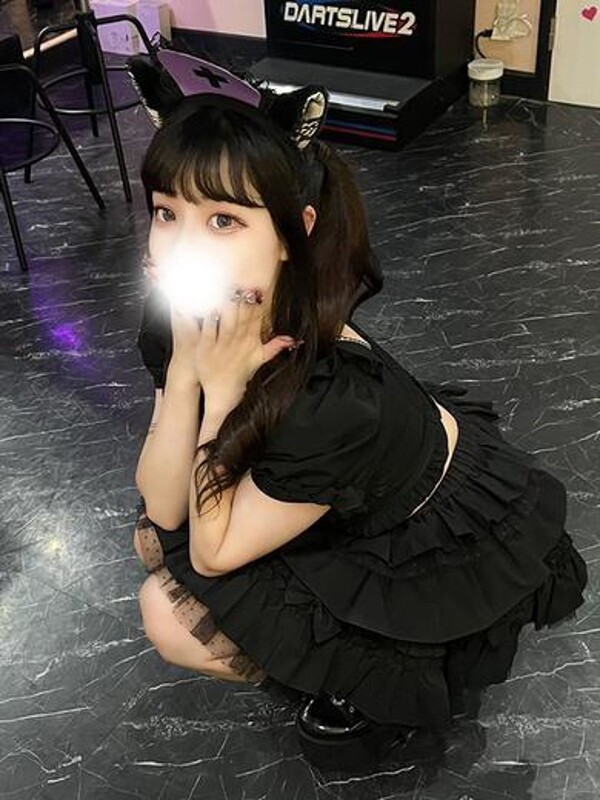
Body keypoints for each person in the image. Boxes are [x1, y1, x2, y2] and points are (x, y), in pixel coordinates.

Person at [127, 48, 588, 770]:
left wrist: (217, 393)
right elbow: (161, 505)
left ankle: (363, 687)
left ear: (295, 229)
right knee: (154, 542)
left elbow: (212, 551)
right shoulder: (187, 314)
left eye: (223, 220)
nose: (183, 245)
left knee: (171, 611)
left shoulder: (333, 394)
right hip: (316, 491)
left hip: (415, 545)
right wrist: (187, 370)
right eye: (167, 212)